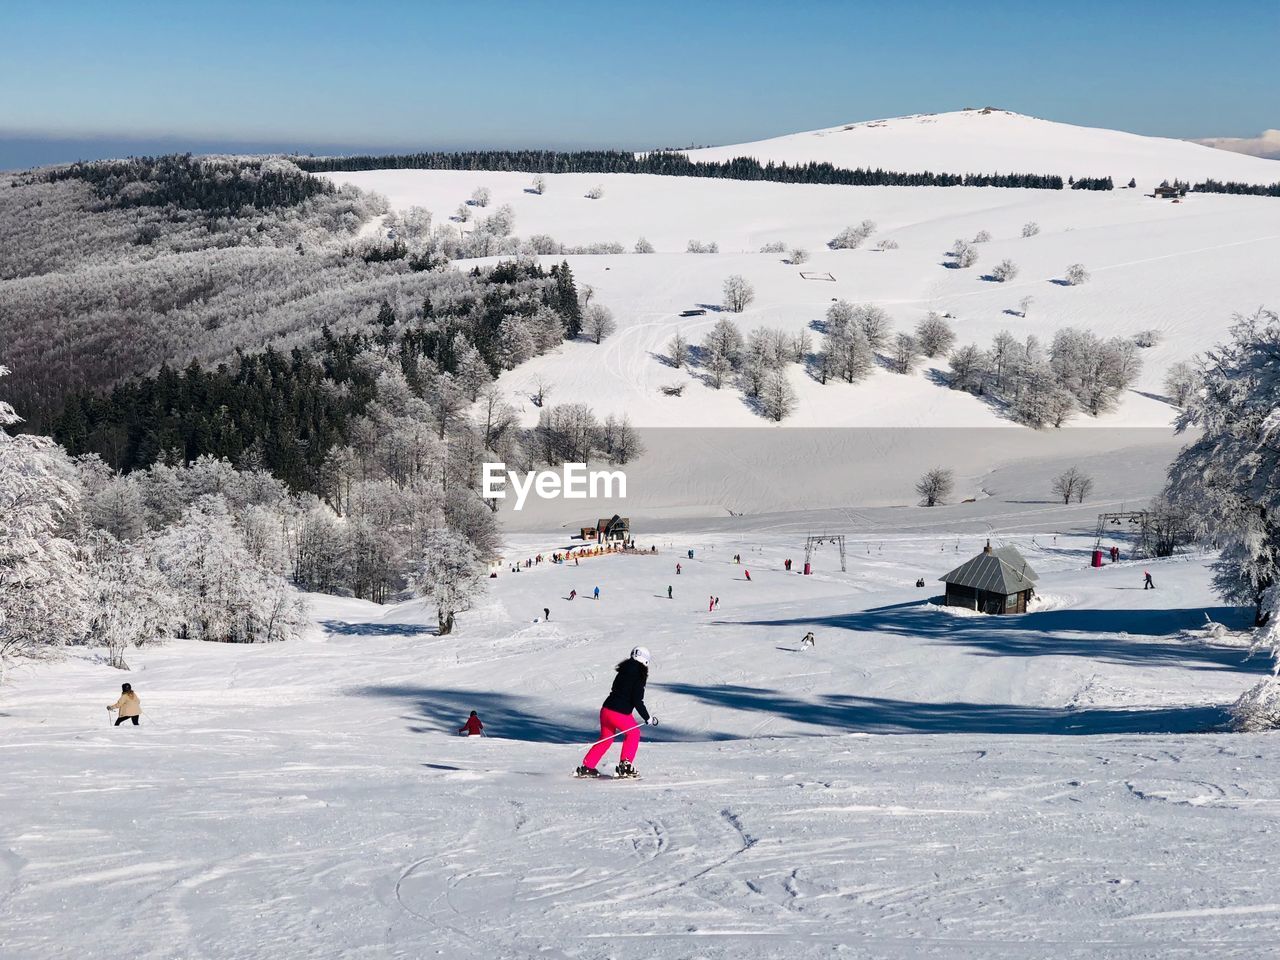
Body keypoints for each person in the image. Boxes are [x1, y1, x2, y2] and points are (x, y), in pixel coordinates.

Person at [576, 647, 657, 778]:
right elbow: (637, 700)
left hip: (606, 710)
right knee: (634, 733)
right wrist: (647, 718)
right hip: (619, 713)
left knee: (606, 738)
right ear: (645, 661)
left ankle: (587, 767)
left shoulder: (623, 670)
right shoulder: (639, 674)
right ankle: (625, 767)